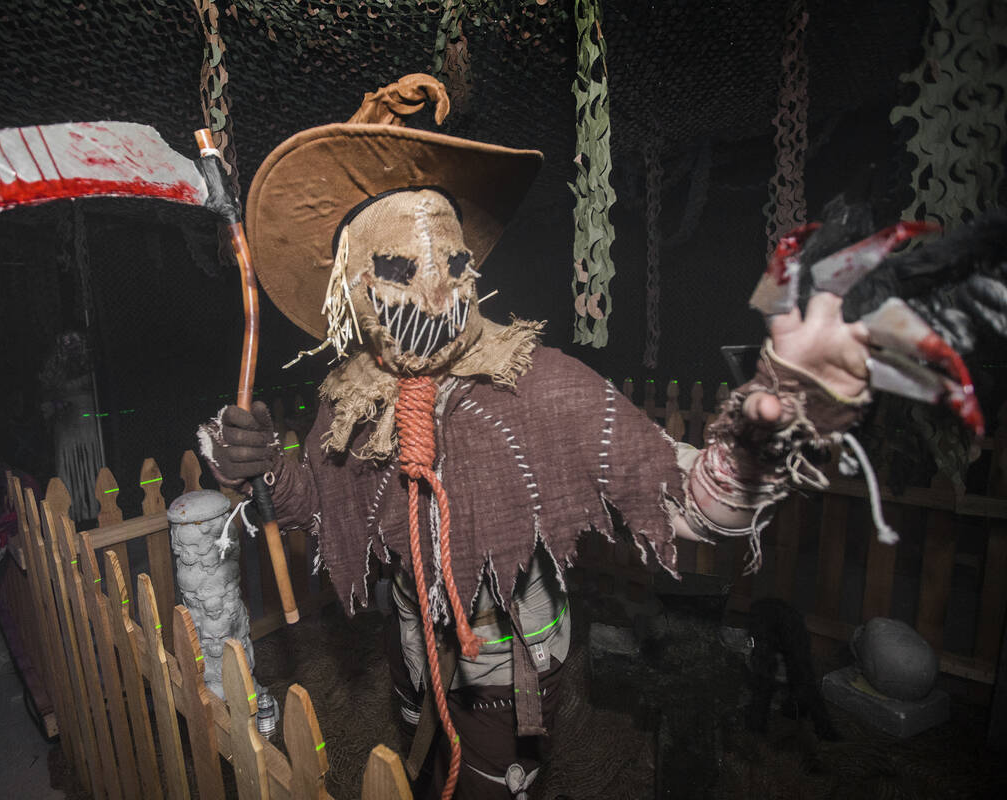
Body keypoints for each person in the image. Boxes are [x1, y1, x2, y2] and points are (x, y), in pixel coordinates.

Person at [200, 74, 874, 800]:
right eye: (400, 271)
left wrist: (771, 417)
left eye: (454, 264)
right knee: (422, 775)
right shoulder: (353, 402)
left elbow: (689, 499)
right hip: (411, 654)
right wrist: (264, 465)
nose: (437, 294)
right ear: (351, 293)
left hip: (508, 664)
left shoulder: (540, 384)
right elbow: (324, 506)